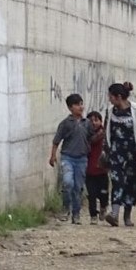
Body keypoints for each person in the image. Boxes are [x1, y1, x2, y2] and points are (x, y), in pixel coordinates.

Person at [103, 82, 136, 227]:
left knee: (132, 183)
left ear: (119, 97)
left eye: (111, 96)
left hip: (134, 153)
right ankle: (114, 214)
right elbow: (106, 132)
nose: (110, 100)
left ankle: (127, 216)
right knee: (117, 181)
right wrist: (106, 151)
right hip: (116, 152)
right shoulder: (110, 112)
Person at [49, 93, 94, 224]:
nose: (80, 107)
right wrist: (53, 155)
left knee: (78, 187)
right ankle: (65, 208)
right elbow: (56, 140)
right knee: (68, 183)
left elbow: (92, 138)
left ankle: (76, 213)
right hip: (68, 157)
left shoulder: (87, 124)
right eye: (76, 104)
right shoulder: (65, 124)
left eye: (81, 104)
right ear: (70, 108)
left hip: (82, 159)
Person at [85, 111, 109, 224]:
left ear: (101, 121)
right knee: (92, 195)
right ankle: (93, 215)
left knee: (104, 193)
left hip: (102, 170)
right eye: (91, 121)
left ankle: (103, 207)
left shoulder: (106, 134)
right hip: (89, 171)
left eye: (96, 120)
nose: (93, 123)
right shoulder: (84, 135)